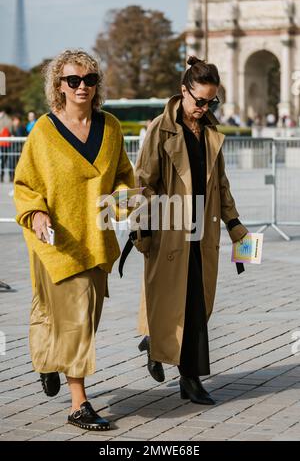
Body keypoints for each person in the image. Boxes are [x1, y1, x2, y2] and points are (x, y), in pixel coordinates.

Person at [14, 49, 134, 430]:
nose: (82, 87)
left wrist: (125, 201)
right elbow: (25, 183)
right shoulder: (44, 132)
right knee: (75, 320)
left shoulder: (111, 127)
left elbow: (123, 178)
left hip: (96, 239)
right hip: (57, 242)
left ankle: (50, 361)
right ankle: (78, 403)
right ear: (59, 86)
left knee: (85, 318)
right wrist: (36, 214)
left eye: (89, 80)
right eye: (73, 80)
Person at [133, 56, 248, 405]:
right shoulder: (161, 129)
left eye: (211, 101)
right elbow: (143, 184)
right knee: (179, 301)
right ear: (183, 91)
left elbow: (222, 185)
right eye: (199, 100)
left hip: (205, 231)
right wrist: (144, 228)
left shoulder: (212, 132)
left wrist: (235, 225)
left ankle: (159, 345)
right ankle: (189, 378)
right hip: (170, 230)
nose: (204, 107)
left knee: (197, 303)